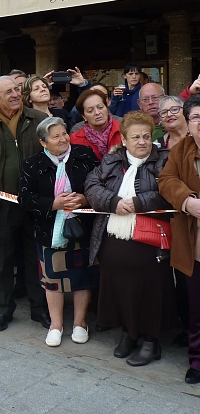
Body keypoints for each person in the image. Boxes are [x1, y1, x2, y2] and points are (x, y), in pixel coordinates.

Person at [85, 111, 177, 366]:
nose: (142, 142)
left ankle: (150, 341)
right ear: (124, 139)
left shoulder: (165, 160)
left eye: (146, 136)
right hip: (112, 236)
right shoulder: (112, 159)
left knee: (150, 290)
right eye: (135, 137)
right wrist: (112, 201)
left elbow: (169, 191)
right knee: (119, 286)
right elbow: (91, 185)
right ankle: (129, 333)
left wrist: (138, 202)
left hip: (149, 242)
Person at [0, 76, 50, 332]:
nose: (16, 94)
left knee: (34, 258)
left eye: (17, 89)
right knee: (1, 261)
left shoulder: (38, 121)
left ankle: (40, 309)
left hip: (35, 204)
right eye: (9, 91)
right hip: (1, 207)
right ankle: (3, 309)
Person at [19, 118, 99, 347]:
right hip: (49, 230)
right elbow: (24, 198)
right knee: (53, 279)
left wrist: (84, 198)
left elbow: (99, 184)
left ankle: (80, 323)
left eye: (64, 133)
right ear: (43, 142)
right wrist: (53, 204)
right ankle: (56, 325)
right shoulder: (32, 164)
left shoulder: (84, 155)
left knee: (82, 278)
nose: (63, 139)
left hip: (83, 227)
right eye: (56, 136)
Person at [158, 95, 200, 384]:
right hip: (194, 240)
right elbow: (166, 180)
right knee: (197, 306)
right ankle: (197, 360)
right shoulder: (181, 148)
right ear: (189, 123)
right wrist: (186, 201)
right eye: (196, 118)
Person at [70, 89, 121, 161]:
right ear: (84, 116)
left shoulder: (124, 129)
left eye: (100, 107)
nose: (97, 113)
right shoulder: (75, 138)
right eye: (90, 111)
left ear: (107, 108)